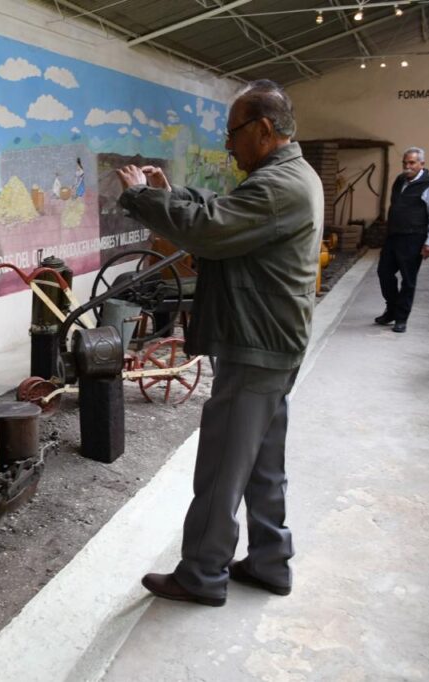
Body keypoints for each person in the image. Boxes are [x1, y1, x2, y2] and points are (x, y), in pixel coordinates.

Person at [115, 79, 323, 607]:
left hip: (256, 344)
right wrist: (172, 193)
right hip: (274, 342)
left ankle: (202, 573)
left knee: (222, 465)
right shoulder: (290, 176)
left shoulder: (278, 186)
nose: (228, 144)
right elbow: (222, 208)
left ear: (264, 129)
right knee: (262, 464)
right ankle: (270, 562)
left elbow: (210, 229)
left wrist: (140, 196)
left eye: (233, 133)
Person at [374, 147, 429, 333]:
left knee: (408, 279)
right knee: (384, 272)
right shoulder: (399, 180)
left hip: (414, 238)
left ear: (422, 164)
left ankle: (401, 318)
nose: (407, 166)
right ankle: (392, 308)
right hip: (394, 236)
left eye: (412, 163)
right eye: (405, 163)